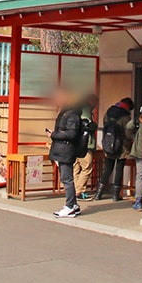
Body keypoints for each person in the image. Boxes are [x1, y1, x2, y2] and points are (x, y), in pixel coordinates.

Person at [48, 90, 83, 218]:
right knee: (66, 179)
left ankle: (69, 206)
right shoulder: (65, 113)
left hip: (66, 150)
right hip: (61, 149)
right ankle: (74, 206)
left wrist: (54, 134)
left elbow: (72, 134)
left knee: (67, 179)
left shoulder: (72, 114)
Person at [93, 97, 134, 201]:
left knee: (107, 169)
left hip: (108, 143)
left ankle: (98, 194)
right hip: (122, 146)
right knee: (119, 169)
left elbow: (105, 125)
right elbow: (128, 132)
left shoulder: (109, 112)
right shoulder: (126, 116)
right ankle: (116, 195)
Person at [74, 94, 99, 201]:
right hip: (85, 144)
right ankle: (79, 191)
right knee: (87, 168)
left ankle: (74, 191)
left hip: (74, 143)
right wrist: (94, 126)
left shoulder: (75, 109)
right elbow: (87, 126)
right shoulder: (86, 110)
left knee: (75, 168)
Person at [128, 107, 142, 211]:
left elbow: (128, 127)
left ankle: (139, 202)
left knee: (141, 176)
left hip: (141, 150)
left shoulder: (140, 119)